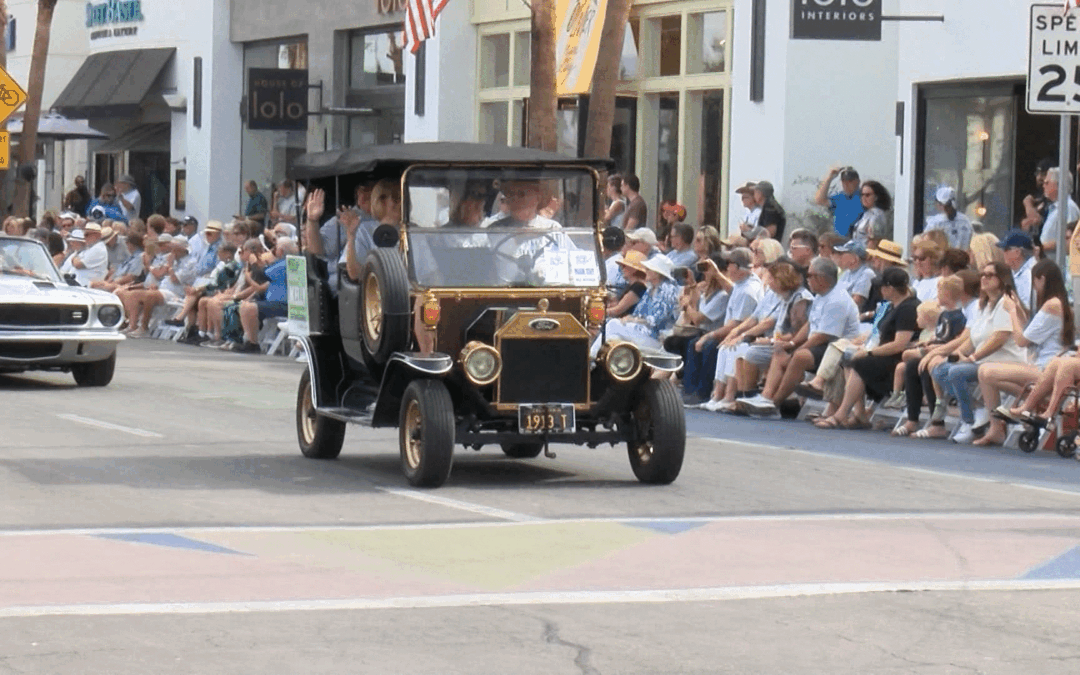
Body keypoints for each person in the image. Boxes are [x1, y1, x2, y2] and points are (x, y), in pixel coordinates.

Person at [737, 257, 860, 417]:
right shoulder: (822, 295)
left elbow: (823, 336)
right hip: (822, 345)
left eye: (809, 275)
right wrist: (792, 342)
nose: (806, 279)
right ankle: (766, 397)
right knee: (781, 350)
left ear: (821, 278)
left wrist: (798, 348)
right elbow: (809, 325)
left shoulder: (837, 300)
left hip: (837, 348)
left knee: (799, 356)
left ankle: (775, 404)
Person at [925, 262, 1028, 443]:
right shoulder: (984, 304)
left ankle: (969, 420)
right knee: (940, 369)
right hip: (982, 362)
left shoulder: (1006, 301)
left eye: (990, 275)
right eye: (982, 274)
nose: (984, 278)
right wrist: (951, 356)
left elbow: (999, 338)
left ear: (1001, 279)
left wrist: (973, 357)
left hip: (1003, 361)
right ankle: (978, 408)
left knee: (956, 372)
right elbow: (972, 339)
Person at [975, 259, 1072, 445]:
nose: (1034, 287)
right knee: (986, 373)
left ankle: (1030, 403)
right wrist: (1018, 309)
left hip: (1047, 368)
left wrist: (1011, 311)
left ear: (1041, 279)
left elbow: (1021, 341)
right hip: (1042, 364)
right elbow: (1029, 333)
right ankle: (1031, 402)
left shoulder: (1052, 304)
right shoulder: (1057, 303)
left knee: (987, 372)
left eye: (1034, 281)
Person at [814, 267, 919, 430]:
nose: (879, 291)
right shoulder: (893, 307)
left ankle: (841, 414)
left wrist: (869, 352)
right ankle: (860, 413)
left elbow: (900, 344)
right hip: (885, 355)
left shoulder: (908, 309)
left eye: (881, 287)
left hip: (897, 359)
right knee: (850, 359)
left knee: (860, 363)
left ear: (889, 288)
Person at [704, 260, 811, 412]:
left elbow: (797, 333)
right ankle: (743, 398)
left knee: (748, 352)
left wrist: (770, 340)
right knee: (740, 351)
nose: (769, 282)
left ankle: (746, 398)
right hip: (777, 341)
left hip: (787, 344)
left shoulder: (799, 298)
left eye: (772, 279)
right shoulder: (783, 297)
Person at [682, 248, 763, 406]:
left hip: (744, 335)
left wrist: (708, 335)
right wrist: (716, 273)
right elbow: (732, 289)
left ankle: (702, 394)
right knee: (694, 343)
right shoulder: (745, 282)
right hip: (734, 332)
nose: (727, 268)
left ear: (737, 267)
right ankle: (692, 391)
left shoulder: (748, 291)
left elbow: (736, 324)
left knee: (708, 345)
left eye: (729, 264)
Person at [592, 255, 680, 354]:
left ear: (657, 273)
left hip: (657, 338)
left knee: (613, 324)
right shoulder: (651, 288)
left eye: (648, 269)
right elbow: (639, 312)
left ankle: (590, 357)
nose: (645, 270)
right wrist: (630, 318)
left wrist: (633, 319)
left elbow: (657, 320)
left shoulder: (667, 289)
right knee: (613, 337)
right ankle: (597, 363)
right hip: (643, 332)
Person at [1037, 167, 1079, 256]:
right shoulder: (1054, 208)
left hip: (1061, 265)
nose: (1043, 186)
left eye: (1047, 183)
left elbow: (1070, 239)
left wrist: (1042, 247)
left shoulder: (1068, 207)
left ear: (1059, 185)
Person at [814, 166, 864, 236]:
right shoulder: (839, 197)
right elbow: (820, 200)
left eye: (850, 181)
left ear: (857, 181)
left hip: (856, 239)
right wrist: (830, 178)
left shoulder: (864, 196)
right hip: (840, 240)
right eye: (844, 181)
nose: (846, 184)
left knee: (826, 239)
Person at [997, 230, 1036, 312]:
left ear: (1018, 252)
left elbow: (1027, 310)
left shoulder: (1029, 274)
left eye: (1006, 249)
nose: (1003, 253)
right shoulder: (1015, 271)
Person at [924, 186, 973, 251]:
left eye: (947, 205)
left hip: (962, 258)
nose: (945, 208)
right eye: (941, 204)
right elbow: (925, 241)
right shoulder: (935, 222)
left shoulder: (964, 221)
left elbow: (972, 241)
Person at [848, 181, 891, 247]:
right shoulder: (867, 213)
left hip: (865, 254)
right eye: (862, 195)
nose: (864, 198)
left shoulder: (876, 215)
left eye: (867, 195)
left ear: (876, 197)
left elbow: (873, 241)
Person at [835, 240, 875, 311]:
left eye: (843, 254)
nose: (839, 257)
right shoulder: (846, 273)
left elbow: (856, 302)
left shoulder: (866, 273)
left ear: (854, 258)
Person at [68, 222, 110, 286]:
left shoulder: (98, 249)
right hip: (78, 283)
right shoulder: (91, 248)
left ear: (96, 235)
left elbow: (78, 264)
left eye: (87, 235)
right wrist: (74, 259)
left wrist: (74, 259)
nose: (84, 237)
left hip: (85, 285)